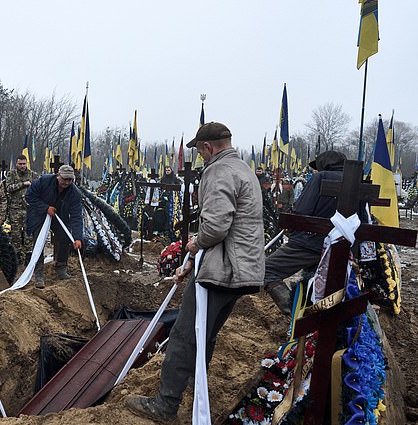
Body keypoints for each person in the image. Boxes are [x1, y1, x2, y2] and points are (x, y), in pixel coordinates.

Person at [125, 121, 265, 422]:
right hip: (243, 271)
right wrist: (193, 260)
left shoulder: (218, 171)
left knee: (184, 335)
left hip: (221, 270)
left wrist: (193, 244)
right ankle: (192, 384)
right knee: (206, 332)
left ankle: (166, 404)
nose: (201, 158)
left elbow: (215, 226)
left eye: (200, 152)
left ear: (207, 147)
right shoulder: (245, 170)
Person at [264, 150, 347, 315]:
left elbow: (302, 209)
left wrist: (290, 223)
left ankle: (296, 316)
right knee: (309, 276)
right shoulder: (356, 180)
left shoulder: (320, 177)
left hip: (312, 242)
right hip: (343, 245)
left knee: (266, 270)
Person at [25, 164, 83, 288]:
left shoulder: (74, 193)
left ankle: (61, 268)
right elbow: (29, 196)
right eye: (64, 179)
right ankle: (39, 273)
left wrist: (77, 237)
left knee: (64, 237)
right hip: (39, 214)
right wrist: (45, 208)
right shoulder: (43, 181)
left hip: (59, 216)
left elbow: (76, 216)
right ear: (58, 176)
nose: (67, 182)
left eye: (70, 180)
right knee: (39, 242)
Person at [6, 155, 39, 264]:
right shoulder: (11, 174)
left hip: (29, 209)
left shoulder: (33, 175)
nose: (22, 166)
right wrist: (23, 184)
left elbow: (38, 189)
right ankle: (18, 255)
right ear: (16, 164)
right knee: (15, 234)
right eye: (20, 164)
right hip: (15, 209)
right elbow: (9, 188)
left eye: (24, 164)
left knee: (28, 233)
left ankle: (28, 255)